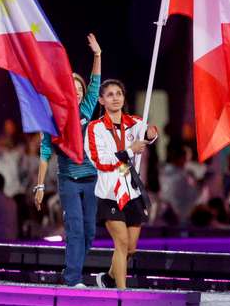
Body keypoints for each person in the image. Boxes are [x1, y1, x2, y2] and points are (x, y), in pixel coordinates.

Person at [34, 33, 102, 288]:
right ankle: (73, 278)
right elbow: (44, 154)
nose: (76, 92)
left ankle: (73, 270)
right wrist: (40, 186)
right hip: (68, 180)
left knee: (89, 232)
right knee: (75, 229)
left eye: (80, 89)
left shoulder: (85, 111)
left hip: (91, 179)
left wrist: (97, 55)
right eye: (71, 88)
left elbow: (95, 83)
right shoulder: (52, 120)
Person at [85, 79, 158, 290]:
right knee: (122, 243)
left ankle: (107, 278)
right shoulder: (95, 128)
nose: (115, 98)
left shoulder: (133, 122)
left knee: (131, 248)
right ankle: (122, 294)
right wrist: (129, 151)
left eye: (119, 93)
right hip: (109, 193)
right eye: (110, 94)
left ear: (124, 97)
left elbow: (147, 132)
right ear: (101, 100)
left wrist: (151, 134)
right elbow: (100, 160)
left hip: (132, 192)